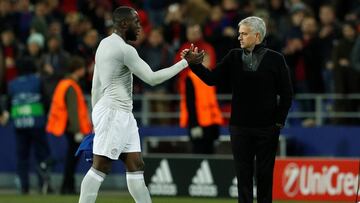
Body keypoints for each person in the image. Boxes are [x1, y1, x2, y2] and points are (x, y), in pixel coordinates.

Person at [78, 6, 203, 203]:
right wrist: (185, 63)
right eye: (136, 23)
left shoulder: (103, 44)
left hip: (120, 113)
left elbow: (96, 85)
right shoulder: (124, 50)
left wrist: (96, 118)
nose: (140, 28)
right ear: (124, 23)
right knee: (100, 167)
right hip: (114, 112)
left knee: (136, 166)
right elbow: (152, 79)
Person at [182, 16, 293, 203]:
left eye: (244, 34)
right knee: (243, 177)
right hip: (240, 128)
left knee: (265, 176)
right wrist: (194, 64)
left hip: (267, 128)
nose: (239, 37)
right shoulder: (234, 56)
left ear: (257, 36)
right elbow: (211, 79)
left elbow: (287, 94)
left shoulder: (276, 59)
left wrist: (278, 122)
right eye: (239, 33)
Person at [46, 56, 93, 194]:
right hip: (71, 129)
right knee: (71, 160)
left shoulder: (64, 84)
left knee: (70, 159)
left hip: (65, 127)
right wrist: (77, 130)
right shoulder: (71, 86)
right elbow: (73, 110)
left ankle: (67, 186)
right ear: (78, 70)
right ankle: (68, 187)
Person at [176, 24, 223, 154]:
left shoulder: (210, 78)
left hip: (210, 124)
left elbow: (212, 102)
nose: (207, 62)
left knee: (210, 154)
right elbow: (190, 103)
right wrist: (194, 124)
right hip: (199, 123)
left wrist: (215, 126)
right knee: (199, 153)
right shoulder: (191, 79)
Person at [7, 58, 52, 194]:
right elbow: (46, 100)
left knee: (22, 157)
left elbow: (9, 104)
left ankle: (24, 187)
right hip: (37, 124)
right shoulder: (38, 81)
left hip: (20, 124)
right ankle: (43, 186)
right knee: (42, 156)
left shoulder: (12, 84)